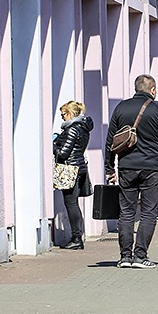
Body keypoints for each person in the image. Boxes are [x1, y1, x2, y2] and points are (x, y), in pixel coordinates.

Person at [105, 75, 158, 269]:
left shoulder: (121, 108)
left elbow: (110, 141)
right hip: (152, 168)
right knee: (148, 213)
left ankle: (125, 257)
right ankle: (140, 256)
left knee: (127, 212)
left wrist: (109, 168)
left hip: (127, 167)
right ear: (153, 90)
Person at [53, 100, 94, 249]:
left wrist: (53, 145)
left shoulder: (71, 129)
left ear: (70, 114)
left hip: (70, 170)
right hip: (79, 168)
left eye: (63, 114)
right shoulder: (83, 128)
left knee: (71, 204)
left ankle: (77, 238)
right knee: (73, 204)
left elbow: (63, 153)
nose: (62, 118)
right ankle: (77, 237)